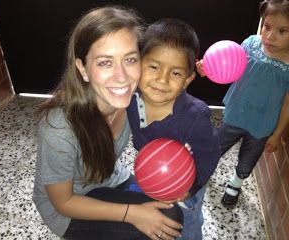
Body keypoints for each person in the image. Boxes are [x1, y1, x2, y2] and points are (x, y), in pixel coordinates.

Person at [32, 6, 183, 240]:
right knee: (158, 226)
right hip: (69, 206)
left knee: (169, 212)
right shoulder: (59, 129)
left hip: (109, 179)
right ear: (83, 69)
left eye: (130, 59)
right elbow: (63, 202)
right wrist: (132, 213)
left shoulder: (134, 100)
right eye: (105, 62)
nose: (122, 77)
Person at [127, 18, 221, 240]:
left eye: (176, 73)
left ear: (188, 80)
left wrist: (193, 187)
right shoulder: (130, 97)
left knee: (186, 223)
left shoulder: (195, 116)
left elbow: (210, 154)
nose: (162, 79)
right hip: (154, 175)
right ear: (139, 63)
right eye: (154, 66)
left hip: (186, 186)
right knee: (159, 215)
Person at [196, 0, 289, 208]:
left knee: (249, 158)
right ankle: (204, 171)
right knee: (217, 145)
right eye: (267, 26)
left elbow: (287, 105)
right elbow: (231, 67)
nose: (270, 36)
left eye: (283, 31)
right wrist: (209, 68)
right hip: (235, 113)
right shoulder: (251, 44)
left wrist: (277, 135)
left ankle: (235, 185)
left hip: (262, 125)